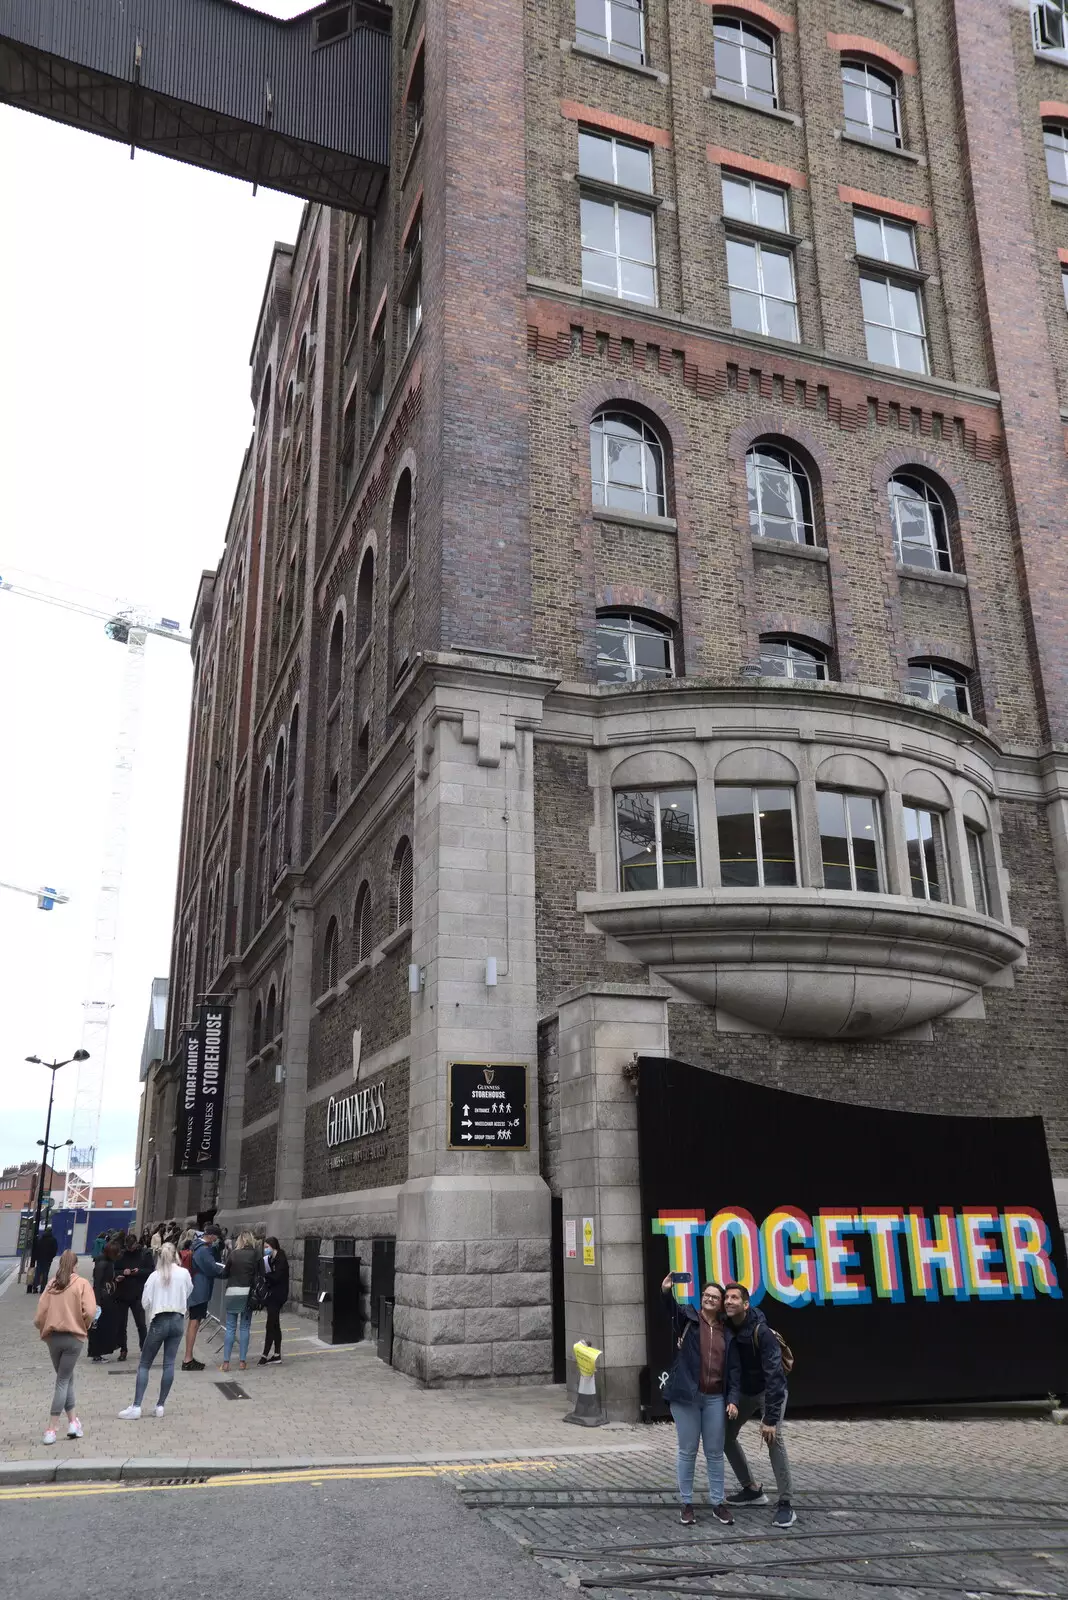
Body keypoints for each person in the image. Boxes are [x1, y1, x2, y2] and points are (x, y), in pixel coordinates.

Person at [660, 1274, 733, 1527]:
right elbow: (670, 1307)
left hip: (715, 1397)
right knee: (687, 1450)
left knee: (714, 1452)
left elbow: (733, 1369)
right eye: (706, 1295)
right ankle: (687, 1503)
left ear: (722, 1302)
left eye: (715, 1296)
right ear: (701, 1299)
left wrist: (731, 1398)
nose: (710, 1299)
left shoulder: (728, 1328)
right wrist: (667, 1290)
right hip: (687, 1397)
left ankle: (718, 1503)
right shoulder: (690, 1318)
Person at [723, 1281, 796, 1528]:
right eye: (727, 1298)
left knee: (773, 1439)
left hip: (769, 1392)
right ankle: (752, 1490)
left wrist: (771, 1419)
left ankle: (786, 1503)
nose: (728, 1301)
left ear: (746, 1304)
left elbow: (775, 1376)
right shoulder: (726, 1324)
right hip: (744, 1391)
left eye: (734, 1298)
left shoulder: (761, 1332)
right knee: (725, 1436)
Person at [118, 1243, 193, 1421]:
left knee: (145, 1364)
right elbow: (189, 1290)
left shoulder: (154, 1276)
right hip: (177, 1318)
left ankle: (136, 1405)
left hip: (159, 1318)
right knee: (169, 1363)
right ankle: (160, 1405)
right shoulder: (184, 1274)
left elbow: (145, 1302)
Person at [33, 1250, 96, 1444]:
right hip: (73, 1337)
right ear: (76, 1265)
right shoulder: (82, 1283)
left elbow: (39, 1315)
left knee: (66, 1378)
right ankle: (51, 1428)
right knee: (63, 1380)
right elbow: (91, 1311)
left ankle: (73, 1422)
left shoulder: (52, 1284)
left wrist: (44, 1327)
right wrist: (83, 1324)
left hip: (53, 1338)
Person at [182, 1224, 226, 1371]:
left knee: (193, 1322)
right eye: (217, 1238)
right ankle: (188, 1358)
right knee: (194, 1323)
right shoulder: (203, 1250)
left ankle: (188, 1357)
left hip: (195, 1289)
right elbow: (212, 1268)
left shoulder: (197, 1246)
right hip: (199, 1291)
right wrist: (227, 1270)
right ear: (212, 1236)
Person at [221, 1231, 260, 1372]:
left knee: (230, 1327)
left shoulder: (233, 1254)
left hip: (232, 1292)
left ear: (239, 1241)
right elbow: (259, 1273)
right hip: (247, 1293)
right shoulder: (255, 1254)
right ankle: (242, 1361)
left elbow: (225, 1273)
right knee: (244, 1327)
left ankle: (226, 1362)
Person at [113, 1231, 152, 1359]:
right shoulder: (121, 1254)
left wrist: (138, 1271)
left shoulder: (144, 1254)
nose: (131, 1249)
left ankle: (144, 1347)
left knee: (141, 1323)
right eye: (128, 1247)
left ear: (136, 1244)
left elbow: (150, 1270)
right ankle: (123, 1349)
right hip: (122, 1294)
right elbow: (113, 1270)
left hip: (137, 1293)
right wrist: (120, 1273)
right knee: (121, 1324)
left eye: (132, 1247)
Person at [88, 1238, 123, 1361]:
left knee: (104, 1325)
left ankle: (99, 1351)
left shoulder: (106, 1262)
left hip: (105, 1296)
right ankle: (97, 1353)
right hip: (103, 1299)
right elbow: (98, 1283)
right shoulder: (103, 1264)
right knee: (100, 1326)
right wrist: (97, 1302)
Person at [258, 1237, 289, 1364]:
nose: (265, 1250)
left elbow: (276, 1277)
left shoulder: (281, 1259)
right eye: (264, 1247)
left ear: (273, 1246)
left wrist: (265, 1275)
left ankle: (265, 1355)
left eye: (267, 1247)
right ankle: (277, 1354)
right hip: (272, 1295)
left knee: (270, 1324)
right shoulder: (270, 1259)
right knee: (275, 1324)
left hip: (278, 1295)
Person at [30, 1226, 59, 1293]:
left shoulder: (41, 1239)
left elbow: (37, 1249)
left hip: (40, 1259)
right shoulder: (53, 1240)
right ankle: (42, 1289)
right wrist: (51, 1257)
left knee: (38, 1273)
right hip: (47, 1260)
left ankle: (35, 1287)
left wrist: (36, 1257)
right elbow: (54, 1250)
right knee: (45, 1274)